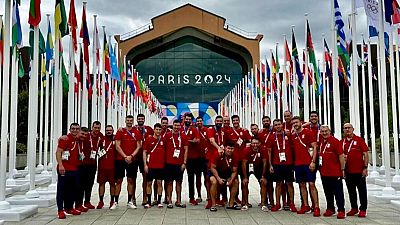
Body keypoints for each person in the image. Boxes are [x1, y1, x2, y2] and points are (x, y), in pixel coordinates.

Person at [291, 116, 320, 216]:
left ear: (300, 122)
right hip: (298, 164)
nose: (295, 124)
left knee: (311, 184)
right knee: (301, 185)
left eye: (296, 122)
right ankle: (306, 205)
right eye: (293, 123)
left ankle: (316, 206)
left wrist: (313, 161)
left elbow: (315, 147)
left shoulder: (308, 132)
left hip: (308, 163)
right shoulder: (293, 135)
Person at [267, 119, 297, 212]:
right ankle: (277, 204)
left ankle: (291, 203)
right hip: (277, 164)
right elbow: (269, 152)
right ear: (273, 126)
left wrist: (294, 163)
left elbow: (293, 149)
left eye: (279, 124)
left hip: (288, 164)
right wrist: (270, 165)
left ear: (282, 125)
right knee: (278, 184)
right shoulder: (272, 137)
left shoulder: (289, 135)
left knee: (289, 184)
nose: (278, 126)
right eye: (275, 125)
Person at [114, 115, 143, 209]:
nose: (129, 121)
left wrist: (131, 156)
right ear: (125, 121)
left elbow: (139, 146)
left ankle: (129, 201)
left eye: (131, 120)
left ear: (133, 121)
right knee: (118, 180)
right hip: (120, 159)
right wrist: (125, 156)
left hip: (132, 160)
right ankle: (115, 201)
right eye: (128, 120)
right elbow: (117, 146)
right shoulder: (120, 131)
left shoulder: (137, 132)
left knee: (131, 180)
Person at [56, 123, 83, 219]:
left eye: (77, 129)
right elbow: (58, 152)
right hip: (64, 169)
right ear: (70, 129)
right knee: (61, 190)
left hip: (74, 169)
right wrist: (60, 165)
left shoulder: (78, 139)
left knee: (72, 190)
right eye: (73, 128)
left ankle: (69, 208)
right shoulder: (65, 139)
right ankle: (60, 210)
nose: (75, 130)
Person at [341, 123, 369, 218]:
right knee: (351, 191)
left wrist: (365, 168)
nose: (347, 130)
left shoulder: (359, 140)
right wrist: (343, 170)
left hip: (359, 171)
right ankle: (354, 208)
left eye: (349, 128)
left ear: (353, 129)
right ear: (343, 130)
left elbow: (365, 154)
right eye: (345, 128)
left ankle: (363, 209)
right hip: (348, 171)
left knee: (362, 191)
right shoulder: (342, 142)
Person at [319, 125, 346, 219]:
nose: (324, 133)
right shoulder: (321, 142)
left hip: (335, 172)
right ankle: (330, 208)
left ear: (330, 132)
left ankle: (341, 210)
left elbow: (341, 156)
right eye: (322, 131)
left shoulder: (335, 141)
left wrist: (342, 169)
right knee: (327, 192)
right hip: (324, 172)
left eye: (326, 131)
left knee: (338, 192)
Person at [76, 122, 103, 211]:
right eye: (95, 127)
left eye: (98, 128)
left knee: (90, 183)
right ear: (92, 127)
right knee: (81, 184)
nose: (96, 129)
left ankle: (87, 201)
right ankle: (78, 203)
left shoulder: (100, 136)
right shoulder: (86, 136)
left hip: (93, 164)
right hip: (83, 164)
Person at [209, 141, 241, 212]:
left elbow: (234, 171)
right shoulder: (218, 154)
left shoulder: (235, 156)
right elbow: (212, 167)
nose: (230, 150)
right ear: (225, 148)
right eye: (228, 148)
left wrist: (231, 180)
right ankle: (213, 205)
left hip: (226, 172)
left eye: (232, 148)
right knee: (214, 182)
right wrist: (219, 179)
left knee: (235, 182)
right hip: (215, 171)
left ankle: (231, 204)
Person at [164, 120, 189, 208]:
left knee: (179, 182)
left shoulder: (183, 136)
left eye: (178, 125)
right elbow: (164, 149)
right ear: (172, 125)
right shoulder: (167, 135)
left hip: (179, 163)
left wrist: (184, 163)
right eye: (175, 125)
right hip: (169, 163)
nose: (176, 127)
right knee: (169, 182)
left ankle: (178, 201)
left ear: (180, 126)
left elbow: (186, 150)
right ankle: (170, 200)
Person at [241, 137, 269, 211]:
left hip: (258, 167)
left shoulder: (263, 149)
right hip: (248, 167)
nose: (255, 145)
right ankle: (246, 203)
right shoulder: (246, 150)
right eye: (253, 143)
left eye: (256, 143)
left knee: (263, 182)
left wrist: (263, 176)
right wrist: (245, 177)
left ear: (259, 143)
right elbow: (244, 164)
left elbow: (265, 163)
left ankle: (263, 204)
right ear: (251, 143)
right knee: (244, 183)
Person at [143, 123, 165, 209]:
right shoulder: (148, 139)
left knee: (159, 183)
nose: (158, 131)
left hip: (160, 166)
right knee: (149, 183)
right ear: (154, 130)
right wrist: (145, 165)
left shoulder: (163, 140)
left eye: (160, 130)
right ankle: (148, 201)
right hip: (150, 165)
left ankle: (159, 201)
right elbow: (144, 152)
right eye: (157, 129)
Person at [205, 115, 225, 209]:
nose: (219, 122)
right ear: (215, 121)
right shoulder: (210, 129)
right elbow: (212, 141)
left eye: (220, 121)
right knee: (210, 180)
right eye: (217, 121)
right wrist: (219, 148)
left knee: (219, 179)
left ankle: (218, 199)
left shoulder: (224, 131)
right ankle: (210, 200)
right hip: (211, 158)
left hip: (221, 159)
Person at [182, 113, 202, 206]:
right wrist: (190, 140)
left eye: (190, 119)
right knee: (177, 179)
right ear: (184, 119)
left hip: (193, 157)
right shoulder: (180, 129)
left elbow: (197, 141)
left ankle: (192, 197)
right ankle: (169, 198)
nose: (188, 121)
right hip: (181, 157)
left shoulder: (194, 129)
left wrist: (185, 141)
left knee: (192, 177)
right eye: (187, 119)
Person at [135, 114, 155, 206]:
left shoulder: (149, 129)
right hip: (135, 156)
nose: (140, 120)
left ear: (144, 119)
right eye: (139, 119)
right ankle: (132, 198)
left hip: (145, 156)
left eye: (142, 119)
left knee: (146, 178)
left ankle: (145, 197)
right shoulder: (133, 129)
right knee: (132, 178)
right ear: (137, 120)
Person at [97, 125, 116, 210]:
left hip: (112, 166)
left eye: (110, 130)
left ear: (113, 131)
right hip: (102, 166)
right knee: (101, 184)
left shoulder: (115, 140)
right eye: (107, 130)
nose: (109, 132)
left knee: (112, 184)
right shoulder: (101, 139)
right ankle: (101, 201)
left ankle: (112, 201)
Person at [258, 115, 274, 208]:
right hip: (263, 160)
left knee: (271, 183)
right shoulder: (260, 133)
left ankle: (272, 201)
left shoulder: (274, 131)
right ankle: (264, 200)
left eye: (267, 121)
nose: (266, 122)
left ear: (270, 122)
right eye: (264, 121)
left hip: (272, 159)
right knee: (263, 182)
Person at [196, 116, 210, 204]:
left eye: (200, 121)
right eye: (198, 121)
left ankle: (209, 195)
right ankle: (199, 195)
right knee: (198, 178)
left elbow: (211, 141)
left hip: (206, 158)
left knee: (207, 177)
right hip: (197, 158)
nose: (199, 122)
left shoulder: (207, 130)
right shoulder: (194, 130)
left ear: (203, 122)